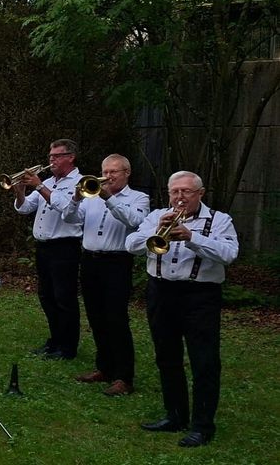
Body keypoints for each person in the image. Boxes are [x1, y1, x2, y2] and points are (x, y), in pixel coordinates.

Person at [125, 171, 237, 448]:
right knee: (167, 357)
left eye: (186, 191)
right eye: (174, 192)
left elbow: (229, 254)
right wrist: (155, 230)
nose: (179, 197)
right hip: (161, 292)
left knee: (204, 361)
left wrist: (191, 238)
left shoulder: (220, 220)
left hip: (200, 296)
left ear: (200, 193)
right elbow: (130, 246)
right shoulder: (156, 216)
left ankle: (202, 425)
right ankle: (175, 415)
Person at [61, 154, 149, 396]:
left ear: (127, 173)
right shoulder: (91, 197)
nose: (108, 176)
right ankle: (104, 368)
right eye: (105, 171)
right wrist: (75, 200)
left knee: (116, 319)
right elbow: (69, 219)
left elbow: (135, 221)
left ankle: (124, 377)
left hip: (117, 262)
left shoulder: (139, 198)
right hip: (90, 260)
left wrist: (108, 198)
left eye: (114, 172)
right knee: (95, 316)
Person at [13, 139, 84, 359]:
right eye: (50, 156)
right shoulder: (49, 181)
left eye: (56, 156)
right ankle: (55, 340)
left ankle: (68, 347)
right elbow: (25, 208)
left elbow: (66, 209)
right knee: (47, 296)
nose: (51, 160)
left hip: (65, 247)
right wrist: (20, 191)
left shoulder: (80, 183)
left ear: (70, 157)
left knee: (64, 298)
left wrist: (39, 186)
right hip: (43, 248)